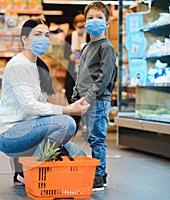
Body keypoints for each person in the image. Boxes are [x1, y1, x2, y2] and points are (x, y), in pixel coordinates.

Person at [0, 18, 90, 186]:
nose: (43, 39)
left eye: (46, 35)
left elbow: (40, 109)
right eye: (37, 34)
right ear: (25, 39)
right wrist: (67, 109)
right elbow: (30, 106)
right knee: (67, 123)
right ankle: (34, 172)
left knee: (82, 159)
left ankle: (21, 170)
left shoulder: (40, 67)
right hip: (10, 134)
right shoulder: (18, 65)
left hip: (30, 131)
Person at [71, 1, 117, 192]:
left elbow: (104, 78)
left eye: (99, 18)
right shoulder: (86, 47)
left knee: (97, 139)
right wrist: (75, 95)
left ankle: (100, 175)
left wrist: (88, 98)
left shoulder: (106, 48)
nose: (94, 21)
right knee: (86, 137)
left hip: (97, 101)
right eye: (90, 18)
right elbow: (81, 73)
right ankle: (92, 171)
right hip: (84, 100)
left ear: (107, 23)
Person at [64, 13, 90, 133]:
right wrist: (71, 57)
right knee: (71, 95)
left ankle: (84, 123)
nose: (81, 29)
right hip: (72, 71)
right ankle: (74, 122)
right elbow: (65, 54)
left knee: (84, 97)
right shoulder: (69, 38)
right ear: (74, 26)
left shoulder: (89, 37)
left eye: (82, 26)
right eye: (78, 26)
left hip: (85, 72)